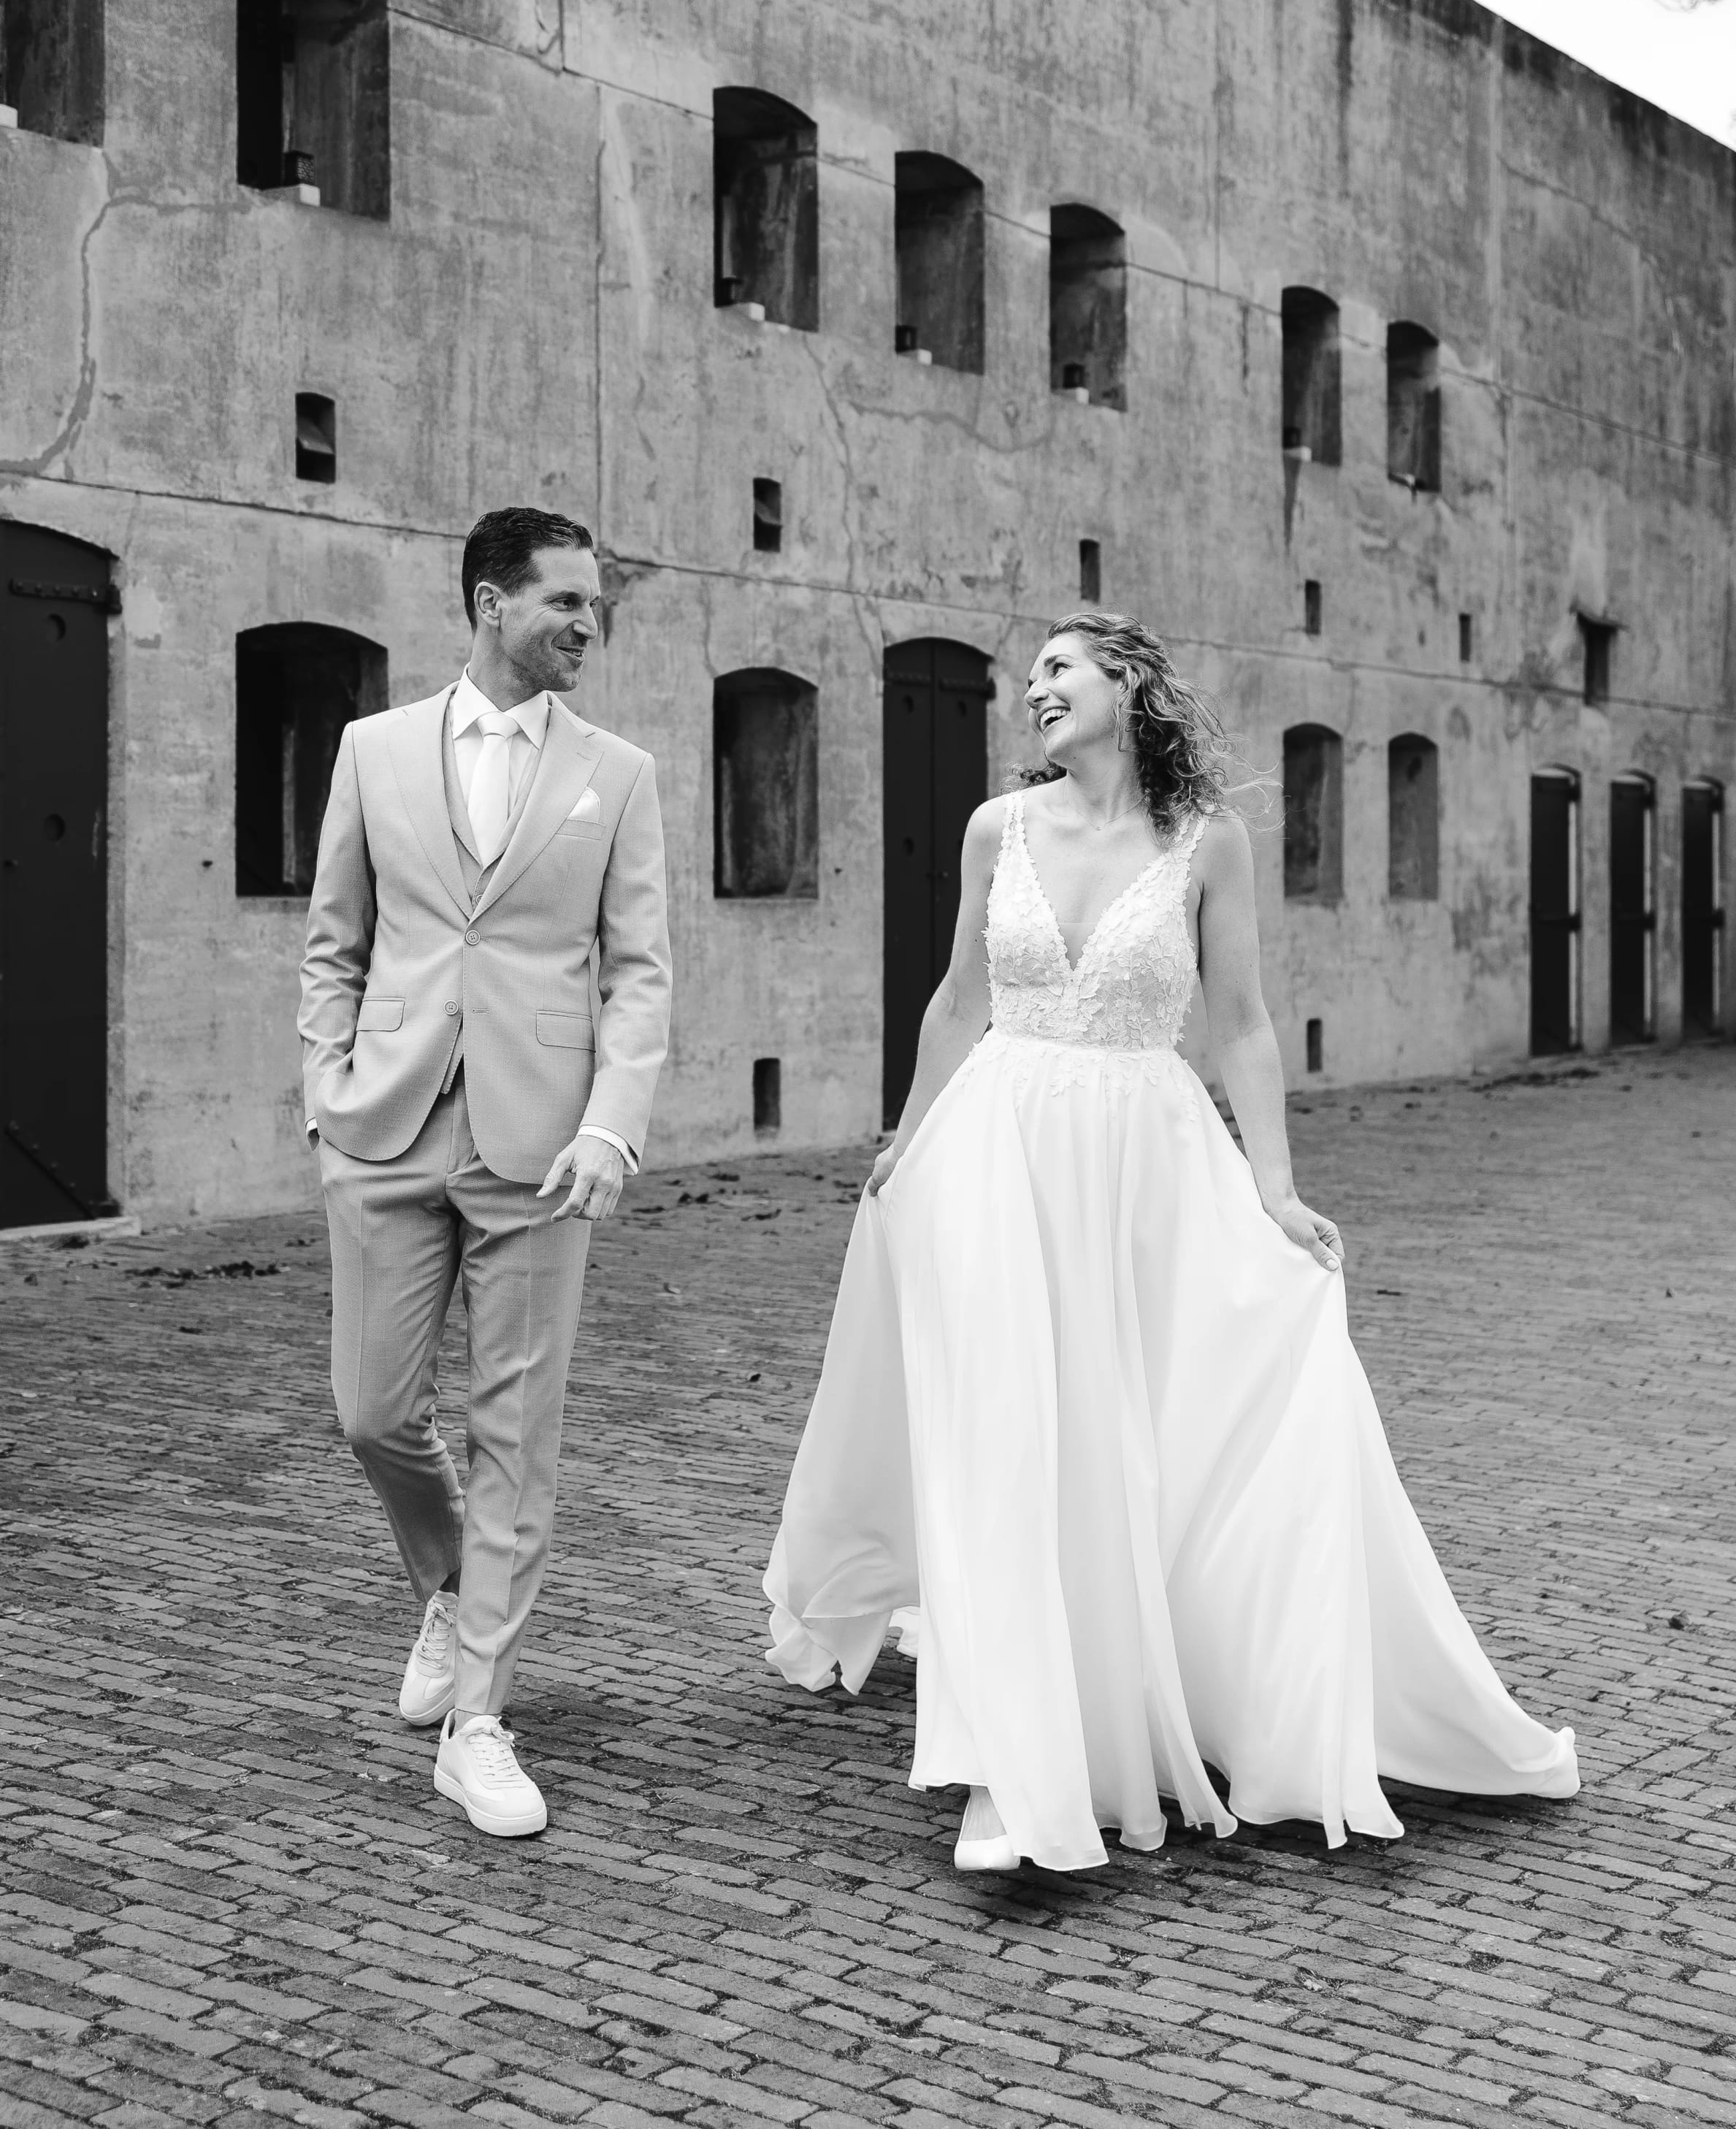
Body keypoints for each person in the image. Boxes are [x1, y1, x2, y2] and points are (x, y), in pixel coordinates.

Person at [765, 609, 1577, 1872]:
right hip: (997, 1152)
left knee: (1121, 1446)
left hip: (1145, 1164)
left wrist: (1278, 1191)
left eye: (1059, 667)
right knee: (1002, 1439)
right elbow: (959, 1000)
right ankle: (1009, 1771)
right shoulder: (995, 828)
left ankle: (1135, 1697)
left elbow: (1241, 1023)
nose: (1035, 687)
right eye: (1031, 673)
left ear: (1129, 684)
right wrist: (908, 1139)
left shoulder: (1210, 843)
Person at [299, 507, 670, 1838]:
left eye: (595, 604)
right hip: (385, 1125)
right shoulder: (373, 749)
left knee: (518, 1436)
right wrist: (324, 1098)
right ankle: (453, 1593)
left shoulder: (618, 773)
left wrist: (612, 1126)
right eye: (565, 601)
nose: (588, 624)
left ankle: (480, 1725)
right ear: (489, 602)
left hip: (545, 1147)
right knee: (371, 1410)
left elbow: (639, 973)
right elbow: (335, 944)